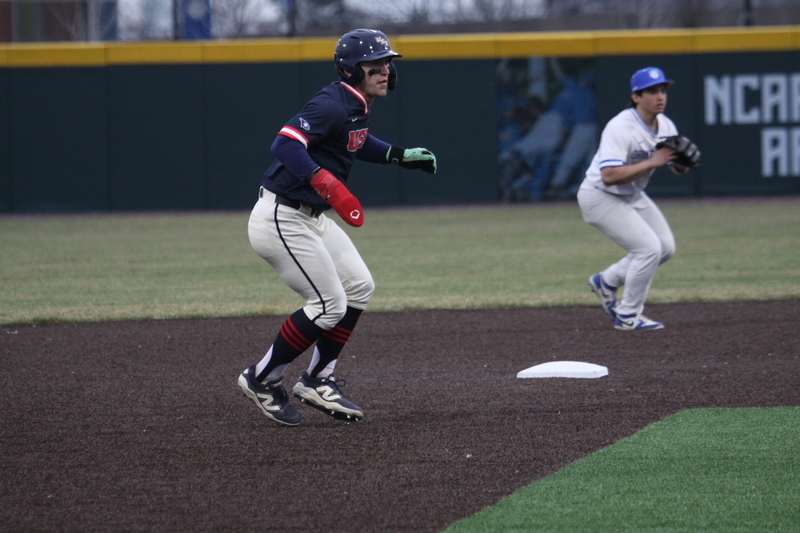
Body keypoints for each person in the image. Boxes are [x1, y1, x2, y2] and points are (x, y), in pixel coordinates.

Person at [238, 29, 437, 426]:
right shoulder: (332, 103)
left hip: (309, 217)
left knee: (359, 286)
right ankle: (261, 377)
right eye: (375, 65)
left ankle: (317, 379)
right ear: (351, 70)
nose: (385, 70)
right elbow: (284, 144)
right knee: (329, 305)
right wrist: (325, 182)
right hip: (281, 217)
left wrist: (398, 155)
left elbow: (355, 142)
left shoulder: (354, 104)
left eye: (388, 63)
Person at [577, 67, 689, 331]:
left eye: (662, 90)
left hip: (631, 193)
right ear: (636, 97)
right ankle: (628, 315)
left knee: (665, 248)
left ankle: (607, 281)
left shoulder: (667, 125)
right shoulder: (620, 127)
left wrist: (682, 162)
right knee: (649, 249)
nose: (660, 96)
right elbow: (609, 176)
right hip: (599, 196)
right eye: (652, 91)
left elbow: (676, 167)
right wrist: (654, 161)